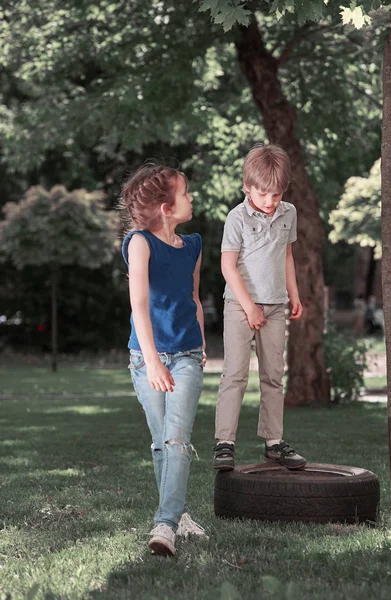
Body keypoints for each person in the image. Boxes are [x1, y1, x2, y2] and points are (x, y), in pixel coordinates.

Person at [120, 163, 207, 556]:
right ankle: (181, 514)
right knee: (161, 443)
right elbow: (138, 304)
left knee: (176, 439)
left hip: (187, 354)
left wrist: (202, 343)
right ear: (165, 207)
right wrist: (153, 361)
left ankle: (165, 525)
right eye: (185, 193)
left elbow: (193, 298)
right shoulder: (139, 242)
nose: (191, 198)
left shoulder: (193, 245)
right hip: (146, 358)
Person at [213, 144, 307, 471]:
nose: (270, 201)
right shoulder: (236, 218)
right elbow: (228, 267)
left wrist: (293, 295)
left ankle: (273, 442)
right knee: (235, 374)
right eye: (263, 193)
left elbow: (286, 256)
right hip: (240, 306)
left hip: (277, 305)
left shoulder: (288, 213)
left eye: (277, 194)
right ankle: (225, 443)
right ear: (247, 186)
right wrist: (250, 306)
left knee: (273, 377)